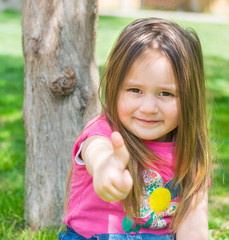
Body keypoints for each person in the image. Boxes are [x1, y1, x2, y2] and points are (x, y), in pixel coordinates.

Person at [60, 17, 211, 240]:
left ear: (190, 98)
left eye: (166, 94)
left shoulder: (190, 155)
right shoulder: (103, 132)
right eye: (135, 90)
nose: (148, 108)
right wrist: (105, 169)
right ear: (115, 87)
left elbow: (194, 229)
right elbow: (98, 152)